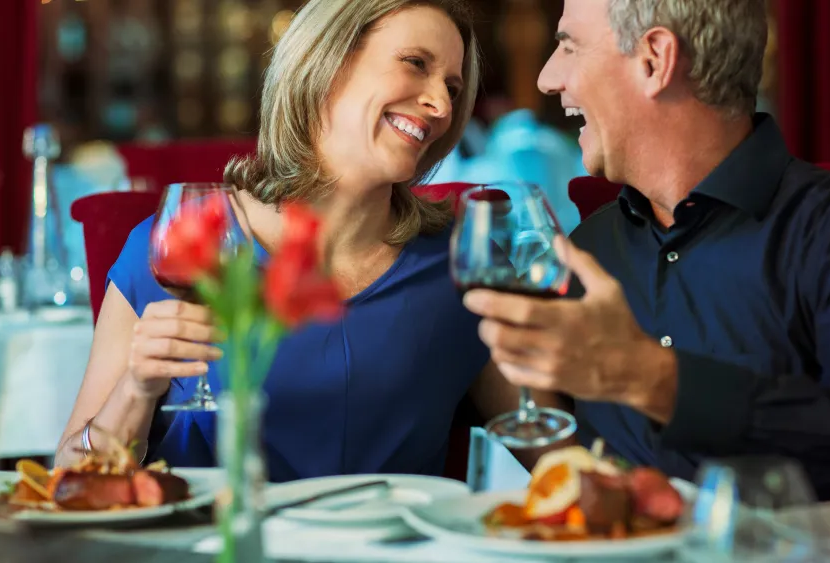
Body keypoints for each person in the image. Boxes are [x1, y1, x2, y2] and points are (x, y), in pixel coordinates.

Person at [54, 0, 528, 482]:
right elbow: (71, 477)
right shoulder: (181, 244)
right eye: (415, 64)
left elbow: (555, 451)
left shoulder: (465, 263)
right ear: (326, 60)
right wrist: (136, 389)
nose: (442, 106)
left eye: (452, 86)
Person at [464, 0, 830, 501]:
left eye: (569, 45)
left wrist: (652, 379)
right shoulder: (586, 249)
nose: (548, 78)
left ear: (655, 60)